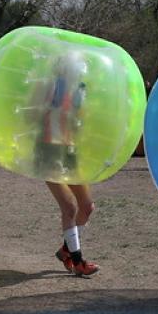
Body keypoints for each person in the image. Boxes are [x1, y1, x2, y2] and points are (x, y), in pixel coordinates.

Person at [36, 52, 99, 277]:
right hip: (48, 150)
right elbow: (30, 114)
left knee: (87, 207)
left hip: (70, 150)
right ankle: (78, 261)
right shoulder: (48, 86)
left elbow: (82, 120)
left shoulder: (81, 89)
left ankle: (66, 251)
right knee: (69, 208)